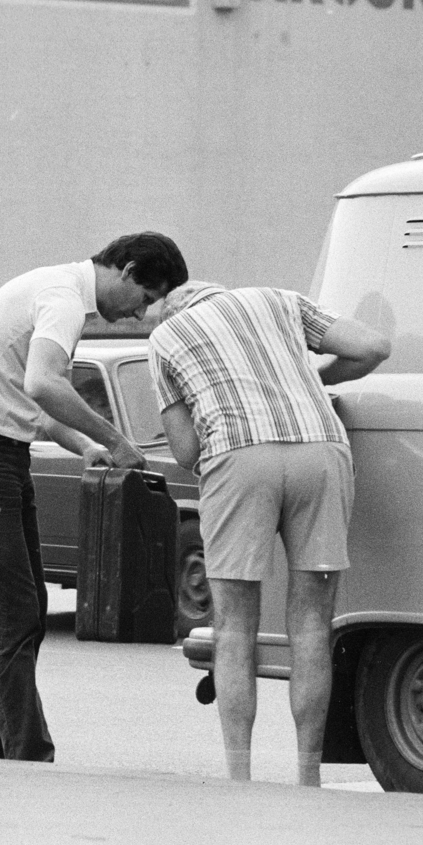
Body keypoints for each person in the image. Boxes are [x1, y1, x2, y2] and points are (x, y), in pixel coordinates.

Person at [0, 231, 188, 762]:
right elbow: (45, 385)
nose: (141, 314)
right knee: (17, 611)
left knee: (23, 608)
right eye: (144, 298)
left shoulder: (54, 288)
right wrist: (117, 440)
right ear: (127, 270)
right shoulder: (64, 301)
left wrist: (87, 447)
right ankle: (28, 756)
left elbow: (40, 408)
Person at [148, 280, 390, 787]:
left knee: (235, 627)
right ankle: (308, 775)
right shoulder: (279, 300)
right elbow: (372, 347)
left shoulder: (167, 337)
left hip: (238, 458)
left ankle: (240, 775)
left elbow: (187, 451)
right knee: (310, 625)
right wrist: (311, 382)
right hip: (321, 450)